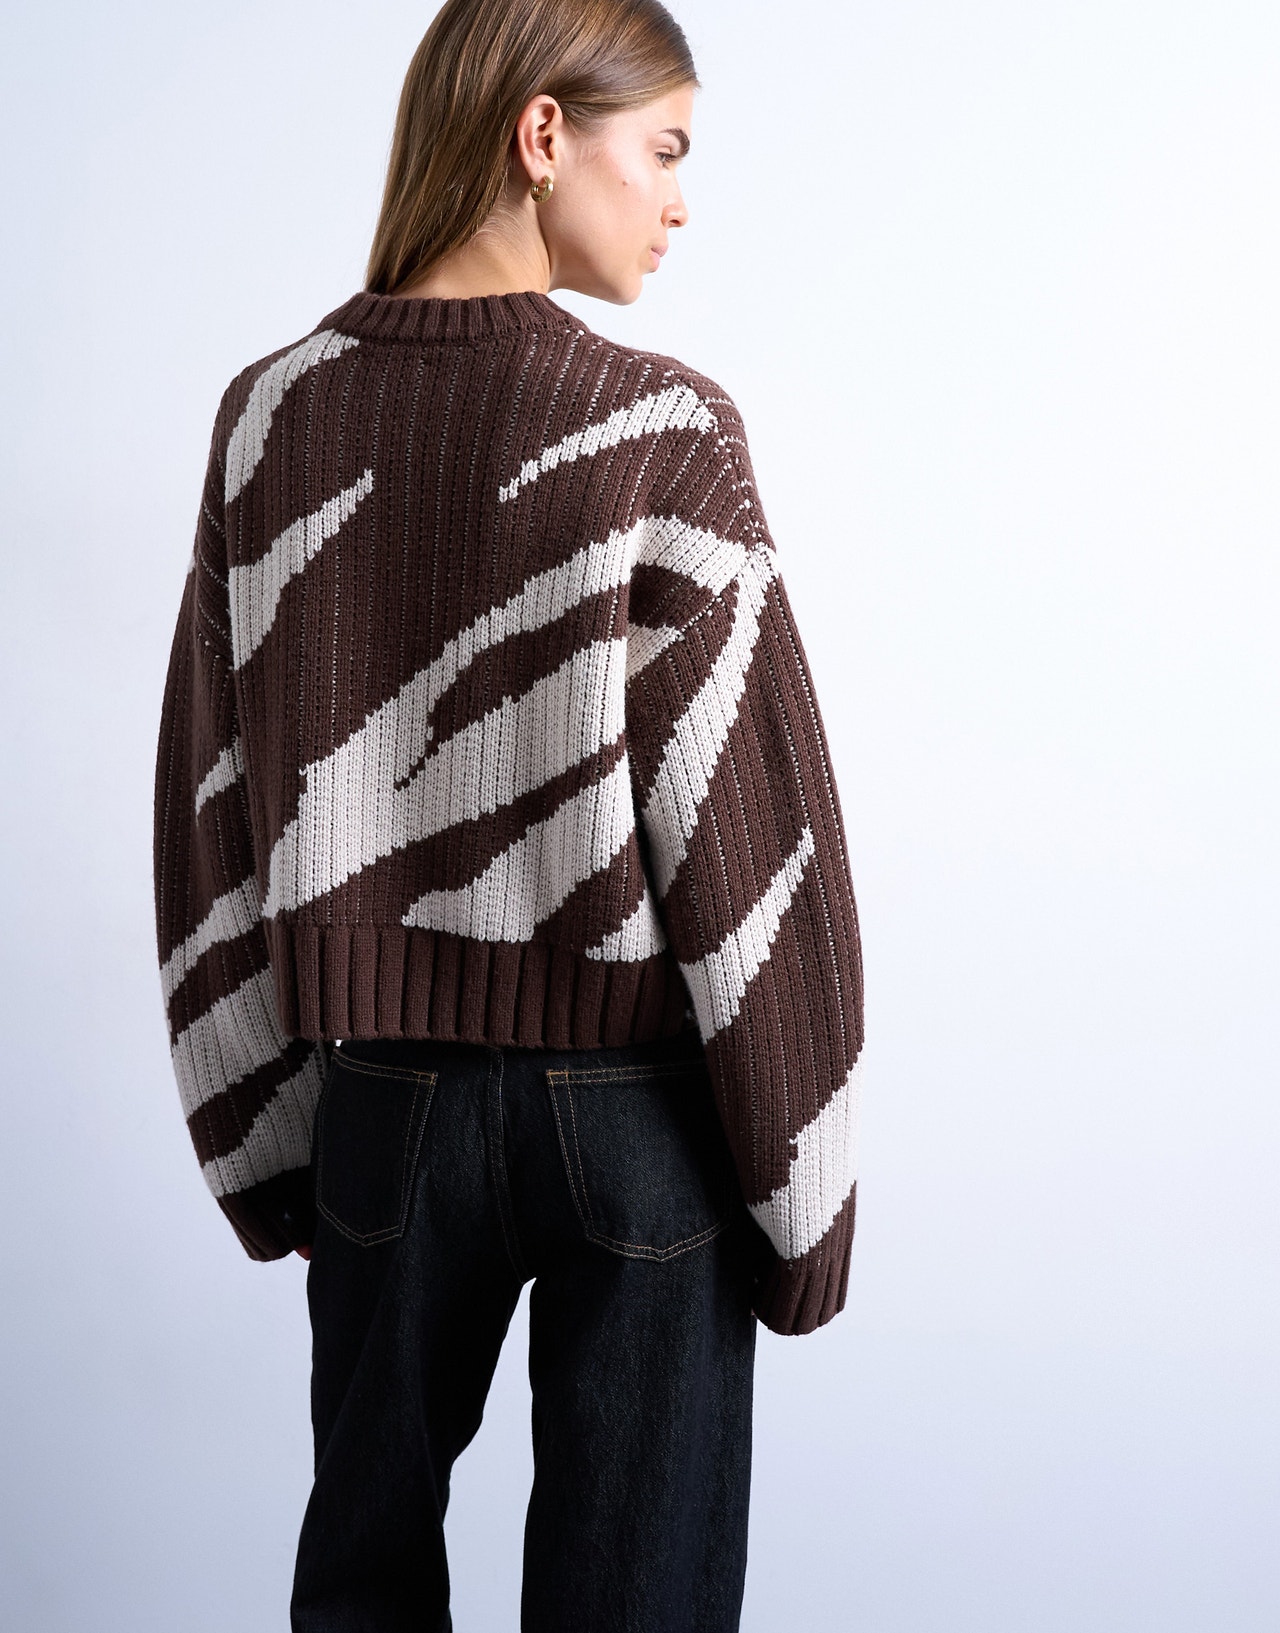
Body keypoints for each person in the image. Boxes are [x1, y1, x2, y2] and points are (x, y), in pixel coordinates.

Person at [152, 0, 865, 1627]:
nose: (680, 202)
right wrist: (805, 1194)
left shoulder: (270, 415)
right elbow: (752, 828)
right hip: (638, 1116)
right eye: (662, 151)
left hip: (383, 1107)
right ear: (544, 134)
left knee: (361, 1585)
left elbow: (212, 804)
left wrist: (266, 1142)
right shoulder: (665, 434)